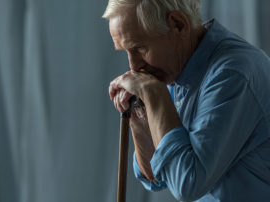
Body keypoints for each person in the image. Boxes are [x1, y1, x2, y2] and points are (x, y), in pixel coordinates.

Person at [102, 0, 270, 201]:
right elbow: (156, 177)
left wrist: (155, 95)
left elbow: (187, 184)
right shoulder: (176, 69)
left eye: (139, 48)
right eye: (126, 51)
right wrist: (138, 117)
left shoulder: (232, 74)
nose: (134, 67)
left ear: (178, 25)